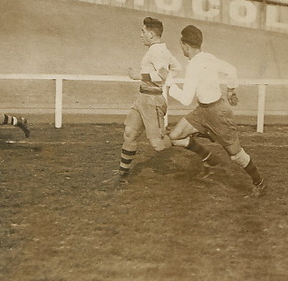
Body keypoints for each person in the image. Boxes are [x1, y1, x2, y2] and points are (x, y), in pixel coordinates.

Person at [167, 25, 266, 196]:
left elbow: (185, 99)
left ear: (185, 46)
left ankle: (259, 182)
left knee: (236, 155)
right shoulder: (208, 57)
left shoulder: (193, 67)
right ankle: (209, 158)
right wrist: (231, 89)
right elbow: (231, 70)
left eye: (181, 44)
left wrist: (168, 82)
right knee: (175, 136)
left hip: (218, 113)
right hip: (202, 111)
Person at [114, 17, 182, 178]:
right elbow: (177, 68)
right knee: (129, 134)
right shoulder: (160, 49)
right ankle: (122, 175)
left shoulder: (157, 51)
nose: (140, 35)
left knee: (158, 145)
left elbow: (162, 75)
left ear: (151, 34)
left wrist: (139, 75)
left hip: (152, 100)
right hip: (143, 98)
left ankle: (186, 135)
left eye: (143, 31)